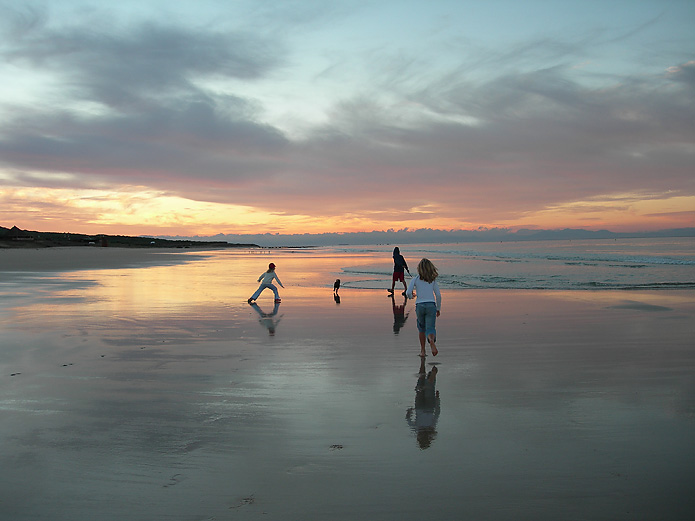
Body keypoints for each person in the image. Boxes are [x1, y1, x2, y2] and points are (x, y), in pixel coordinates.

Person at [406, 258, 441, 357]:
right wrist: (438, 308)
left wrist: (410, 296)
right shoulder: (432, 280)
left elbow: (408, 292)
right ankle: (431, 340)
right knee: (430, 328)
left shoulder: (415, 279)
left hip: (420, 306)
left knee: (421, 329)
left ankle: (422, 351)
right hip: (431, 305)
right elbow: (438, 295)